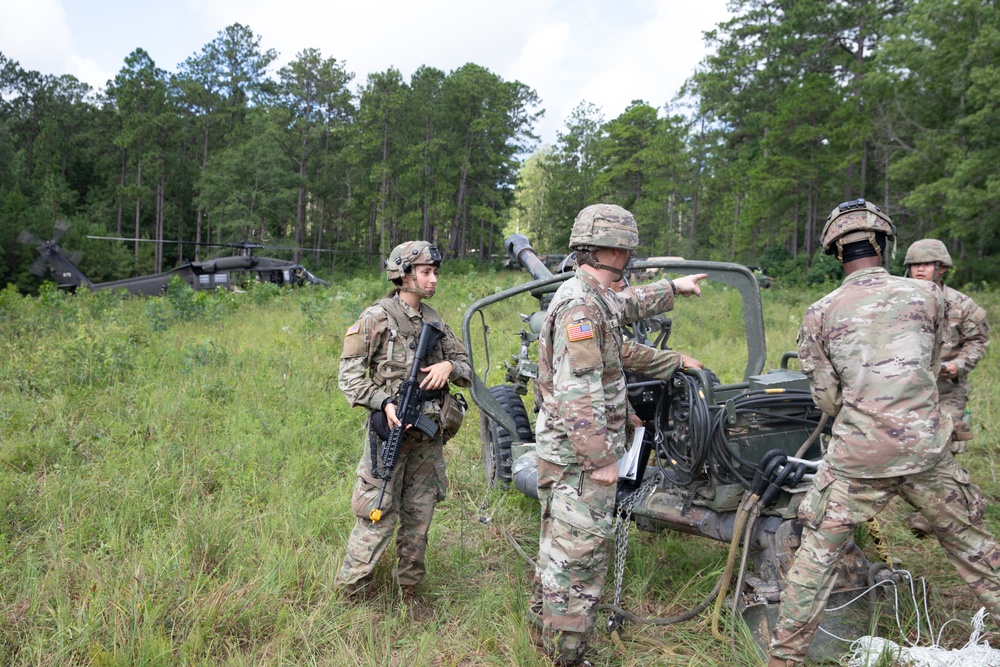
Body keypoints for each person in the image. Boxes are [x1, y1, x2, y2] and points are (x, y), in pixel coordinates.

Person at [767, 200, 1000, 667]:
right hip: (925, 450)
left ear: (836, 252)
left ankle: (783, 658)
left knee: (816, 560)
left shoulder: (819, 313)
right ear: (884, 244)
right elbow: (930, 368)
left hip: (857, 456)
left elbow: (827, 400)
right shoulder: (930, 297)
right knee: (975, 547)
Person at [529, 203, 707, 666]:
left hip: (566, 451)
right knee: (580, 560)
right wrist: (601, 458)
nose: (630, 259)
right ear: (612, 249)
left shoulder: (591, 294)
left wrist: (674, 288)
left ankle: (544, 637)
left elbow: (623, 319)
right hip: (578, 458)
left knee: (558, 551)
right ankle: (567, 656)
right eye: (627, 250)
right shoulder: (581, 306)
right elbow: (578, 391)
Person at [334, 241, 472, 620]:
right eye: (426, 272)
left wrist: (448, 368)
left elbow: (466, 367)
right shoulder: (376, 317)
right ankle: (350, 590)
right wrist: (383, 402)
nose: (433, 279)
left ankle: (410, 591)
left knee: (420, 515)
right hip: (390, 433)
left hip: (427, 438)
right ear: (404, 273)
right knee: (376, 510)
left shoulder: (435, 321)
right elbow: (348, 378)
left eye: (435, 272)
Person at [903, 239, 990, 448]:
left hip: (946, 390)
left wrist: (958, 365)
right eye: (915, 264)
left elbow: (978, 340)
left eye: (927, 264)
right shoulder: (899, 303)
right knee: (907, 447)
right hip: (906, 389)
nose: (920, 268)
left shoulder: (961, 304)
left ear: (941, 268)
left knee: (947, 444)